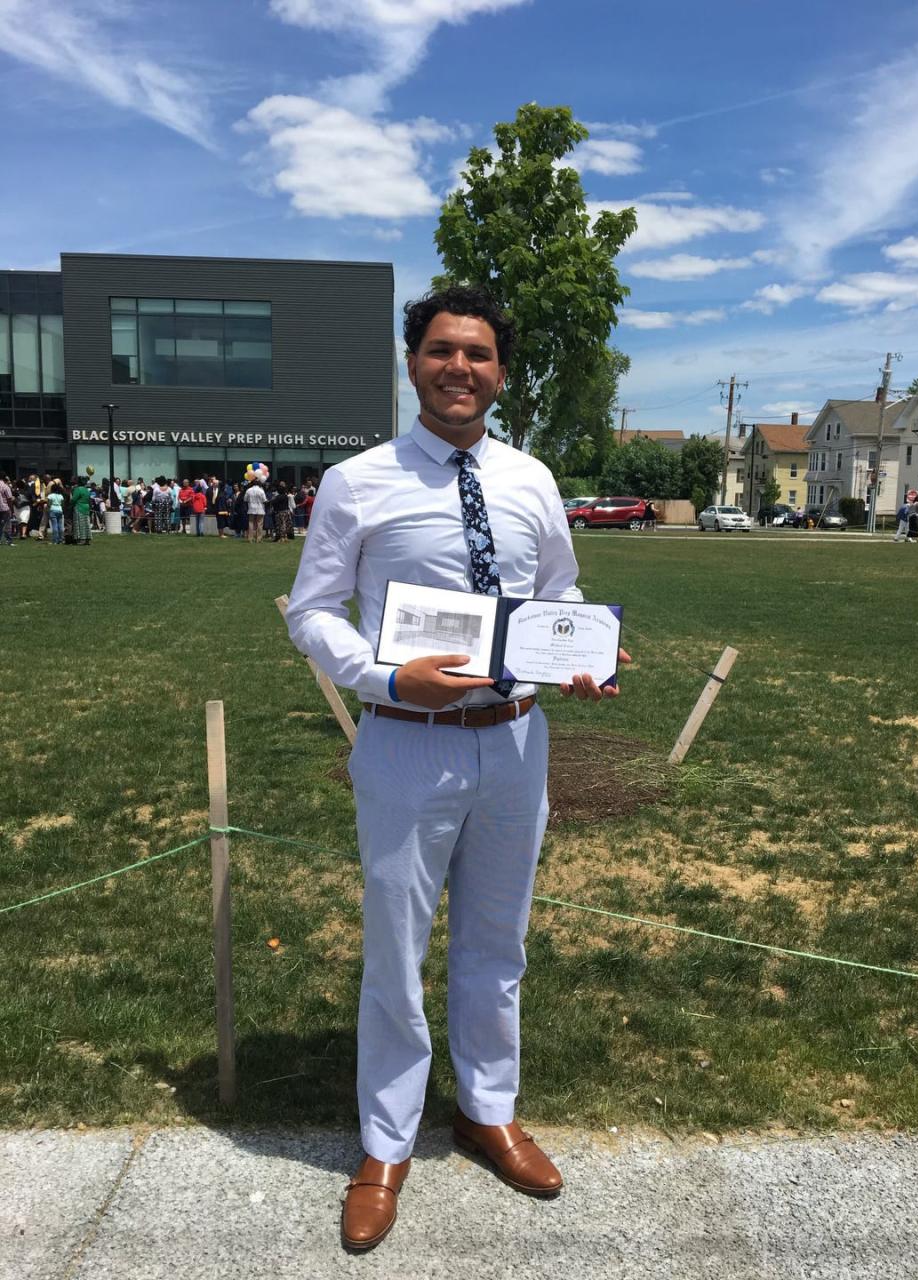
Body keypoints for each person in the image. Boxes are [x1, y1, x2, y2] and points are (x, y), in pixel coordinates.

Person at [286, 286, 630, 1251]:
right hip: (405, 742)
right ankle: (387, 1141)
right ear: (413, 364)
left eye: (478, 355)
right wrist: (385, 673)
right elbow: (311, 610)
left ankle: (488, 1109)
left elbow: (559, 593)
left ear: (500, 373)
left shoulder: (532, 478)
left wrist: (583, 657)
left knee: (497, 942)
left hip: (518, 742)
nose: (459, 370)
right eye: (442, 351)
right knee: (396, 953)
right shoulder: (358, 481)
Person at [70, 476, 92, 545]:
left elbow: (73, 499)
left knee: (80, 524)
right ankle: (87, 539)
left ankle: (81, 540)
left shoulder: (78, 489)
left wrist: (70, 501)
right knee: (86, 524)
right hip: (86, 508)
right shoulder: (86, 490)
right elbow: (89, 500)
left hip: (79, 507)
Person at [244, 477, 267, 541]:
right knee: (259, 524)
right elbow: (264, 500)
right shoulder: (261, 490)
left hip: (251, 508)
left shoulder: (248, 490)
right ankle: (258, 539)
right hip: (260, 509)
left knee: (251, 523)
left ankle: (250, 538)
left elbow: (245, 499)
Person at [0, 473, 14, 546]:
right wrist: (11, 509)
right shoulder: (5, 486)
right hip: (4, 507)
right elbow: (9, 499)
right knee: (7, 525)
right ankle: (9, 540)